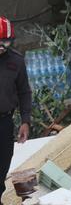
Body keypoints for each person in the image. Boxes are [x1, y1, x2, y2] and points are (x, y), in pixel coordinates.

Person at [0, 17, 32, 195]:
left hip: (4, 123)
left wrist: (25, 120)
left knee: (2, 166)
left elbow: (24, 92)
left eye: (5, 42)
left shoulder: (16, 61)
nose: (1, 46)